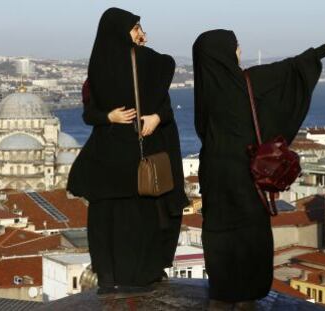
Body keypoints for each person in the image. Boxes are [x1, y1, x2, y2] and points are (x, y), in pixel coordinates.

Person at [193, 24, 325, 310]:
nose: (239, 50)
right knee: (250, 232)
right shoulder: (251, 81)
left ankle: (221, 292)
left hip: (214, 175)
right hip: (244, 173)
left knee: (218, 234)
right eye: (235, 45)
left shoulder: (204, 93)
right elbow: (295, 68)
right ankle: (247, 295)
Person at [66, 8, 189, 298]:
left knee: (106, 221)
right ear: (126, 32)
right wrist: (156, 117)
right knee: (140, 218)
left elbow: (90, 114)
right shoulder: (146, 63)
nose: (140, 33)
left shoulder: (96, 67)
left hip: (107, 158)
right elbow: (169, 64)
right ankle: (143, 274)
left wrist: (109, 117)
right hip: (136, 156)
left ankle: (109, 277)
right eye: (136, 28)